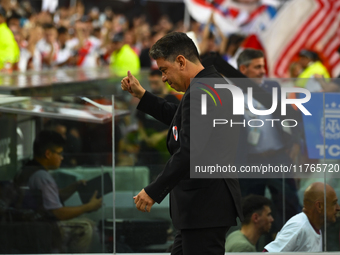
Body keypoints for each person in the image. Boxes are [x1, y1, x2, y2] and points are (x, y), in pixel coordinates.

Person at [121, 32, 243, 255]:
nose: (164, 78)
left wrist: (153, 190)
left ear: (180, 61)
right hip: (204, 207)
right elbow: (182, 120)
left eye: (164, 70)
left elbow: (189, 150)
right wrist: (143, 96)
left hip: (204, 207)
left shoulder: (201, 91)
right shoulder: (210, 84)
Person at [236, 48, 301, 234]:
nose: (262, 71)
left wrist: (296, 142)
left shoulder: (272, 87)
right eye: (257, 67)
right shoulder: (232, 92)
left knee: (288, 206)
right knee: (250, 212)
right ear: (243, 69)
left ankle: (289, 246)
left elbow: (290, 115)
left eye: (263, 66)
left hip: (277, 157)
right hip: (249, 162)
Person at [15, 130, 102, 252]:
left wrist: (74, 187)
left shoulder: (29, 169)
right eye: (59, 153)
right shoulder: (42, 177)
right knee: (87, 227)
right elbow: (57, 212)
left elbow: (52, 198)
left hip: (31, 225)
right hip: (41, 228)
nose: (62, 158)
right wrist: (87, 207)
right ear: (48, 154)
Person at [264, 182, 340, 252]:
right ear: (319, 206)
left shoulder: (316, 227)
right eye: (334, 203)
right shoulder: (298, 226)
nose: (338, 208)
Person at [136, 70, 179, 180]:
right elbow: (140, 120)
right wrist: (145, 136)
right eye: (151, 83)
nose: (153, 86)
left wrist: (160, 136)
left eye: (156, 82)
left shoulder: (173, 100)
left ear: (163, 80)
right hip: (147, 148)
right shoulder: (148, 99)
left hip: (164, 147)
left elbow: (178, 124)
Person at [0, 4, 20, 72]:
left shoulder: (4, 31)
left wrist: (7, 66)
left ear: (3, 17)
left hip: (3, 71)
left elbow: (9, 50)